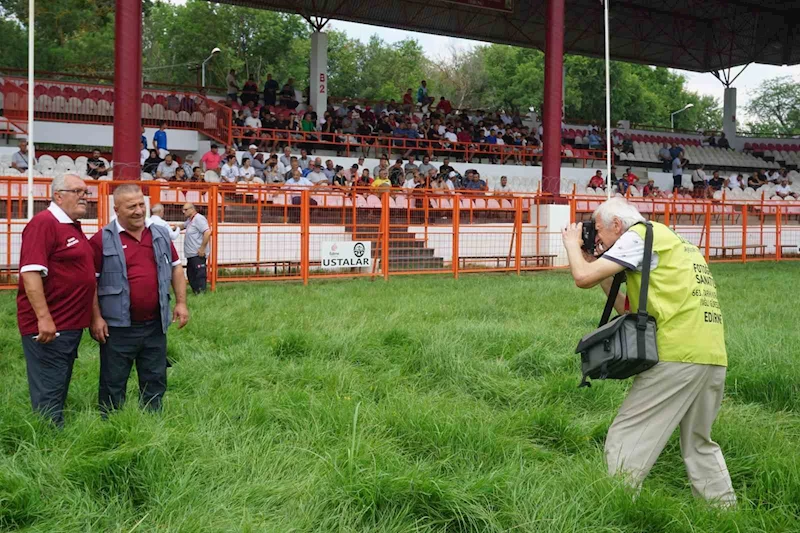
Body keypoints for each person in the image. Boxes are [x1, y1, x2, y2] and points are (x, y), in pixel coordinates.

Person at [561, 198, 736, 507]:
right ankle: (723, 513)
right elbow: (627, 308)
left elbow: (581, 278)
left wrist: (572, 246)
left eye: (598, 231)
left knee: (625, 436)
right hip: (711, 354)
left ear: (617, 225)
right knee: (699, 444)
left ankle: (617, 508)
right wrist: (598, 263)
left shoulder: (637, 236)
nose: (596, 239)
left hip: (676, 355)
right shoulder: (677, 243)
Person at [89, 185, 189, 415]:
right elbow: (91, 283)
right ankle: (110, 424)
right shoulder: (100, 240)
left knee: (155, 378)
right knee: (113, 381)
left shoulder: (160, 235)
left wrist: (181, 303)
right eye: (131, 206)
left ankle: (153, 421)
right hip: (117, 327)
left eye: (141, 205)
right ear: (116, 209)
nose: (138, 211)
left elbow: (176, 269)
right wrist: (95, 318)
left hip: (155, 324)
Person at [17, 175, 96, 427]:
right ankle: (49, 444)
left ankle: (52, 432)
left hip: (68, 325)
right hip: (51, 327)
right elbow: (30, 272)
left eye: (86, 192)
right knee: (49, 388)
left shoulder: (70, 225)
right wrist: (44, 317)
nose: (85, 196)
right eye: (77, 191)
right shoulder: (44, 223)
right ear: (58, 195)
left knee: (58, 382)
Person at [177, 203, 211, 294]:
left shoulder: (199, 219)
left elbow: (207, 233)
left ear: (192, 209)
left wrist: (202, 248)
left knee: (199, 274)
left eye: (186, 209)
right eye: (183, 210)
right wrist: (169, 228)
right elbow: (182, 226)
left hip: (197, 253)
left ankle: (201, 293)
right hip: (191, 254)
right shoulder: (190, 220)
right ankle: (196, 292)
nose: (183, 212)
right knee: (191, 274)